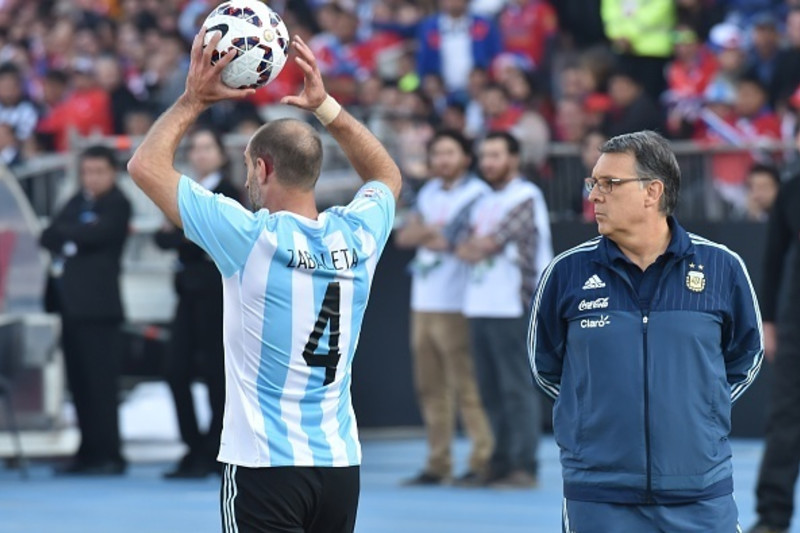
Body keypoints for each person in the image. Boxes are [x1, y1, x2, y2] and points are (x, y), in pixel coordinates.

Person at [127, 30, 401, 532]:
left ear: (261, 167)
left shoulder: (250, 237)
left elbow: (144, 166)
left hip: (265, 466)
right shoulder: (359, 234)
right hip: (340, 463)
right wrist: (327, 108)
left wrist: (194, 98)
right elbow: (387, 176)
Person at [529, 130, 763, 531]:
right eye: (593, 183)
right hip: (599, 496)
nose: (594, 195)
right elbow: (546, 368)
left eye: (609, 183)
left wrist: (701, 412)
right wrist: (591, 417)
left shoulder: (722, 267)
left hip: (700, 492)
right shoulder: (566, 273)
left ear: (652, 191)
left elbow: (746, 356)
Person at [394, 129, 493, 486]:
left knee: (466, 386)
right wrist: (432, 234)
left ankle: (482, 458)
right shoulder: (429, 192)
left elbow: (463, 242)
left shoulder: (478, 194)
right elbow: (405, 236)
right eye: (437, 153)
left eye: (449, 153)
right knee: (429, 386)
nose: (442, 160)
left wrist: (431, 234)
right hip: (423, 302)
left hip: (457, 303)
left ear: (466, 157)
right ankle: (438, 462)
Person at [456, 131, 552, 488]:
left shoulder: (527, 195)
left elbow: (485, 244)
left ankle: (523, 466)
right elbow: (457, 242)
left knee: (515, 388)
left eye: (496, 155)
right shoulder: (482, 200)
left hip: (512, 303)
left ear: (514, 157)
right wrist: (472, 245)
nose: (488, 162)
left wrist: (475, 245)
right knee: (489, 390)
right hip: (479, 302)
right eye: (485, 155)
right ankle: (499, 461)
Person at [154, 127, 242, 479]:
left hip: (218, 295)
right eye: (196, 148)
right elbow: (165, 239)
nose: (201, 154)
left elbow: (199, 239)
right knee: (174, 370)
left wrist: (180, 235)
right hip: (187, 294)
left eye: (208, 147)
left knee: (217, 375)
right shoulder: (187, 193)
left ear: (221, 153)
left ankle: (217, 449)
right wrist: (182, 235)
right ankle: (193, 446)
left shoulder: (229, 193)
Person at [40, 145, 131, 476]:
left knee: (101, 385)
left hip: (100, 309)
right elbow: (49, 234)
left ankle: (110, 454)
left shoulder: (118, 204)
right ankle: (88, 451)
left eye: (98, 172)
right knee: (79, 384)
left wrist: (70, 239)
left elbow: (96, 237)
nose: (91, 178)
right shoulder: (78, 202)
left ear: (112, 172)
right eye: (86, 172)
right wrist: (73, 240)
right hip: (71, 307)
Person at [746, 172, 800, 533]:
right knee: (785, 420)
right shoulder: (793, 189)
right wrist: (767, 321)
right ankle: (772, 516)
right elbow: (774, 255)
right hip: (796, 322)